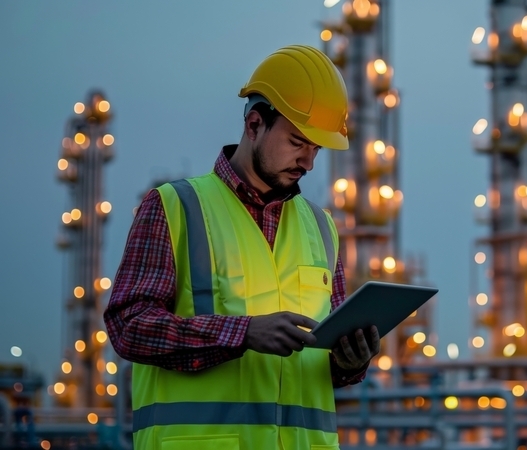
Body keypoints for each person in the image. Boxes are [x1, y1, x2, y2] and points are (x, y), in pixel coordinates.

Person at [104, 44, 380, 450]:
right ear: (254, 125)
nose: (308, 162)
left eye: (317, 149)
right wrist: (244, 332)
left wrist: (349, 362)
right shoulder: (173, 207)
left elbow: (320, 366)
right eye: (298, 142)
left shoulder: (322, 229)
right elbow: (130, 328)